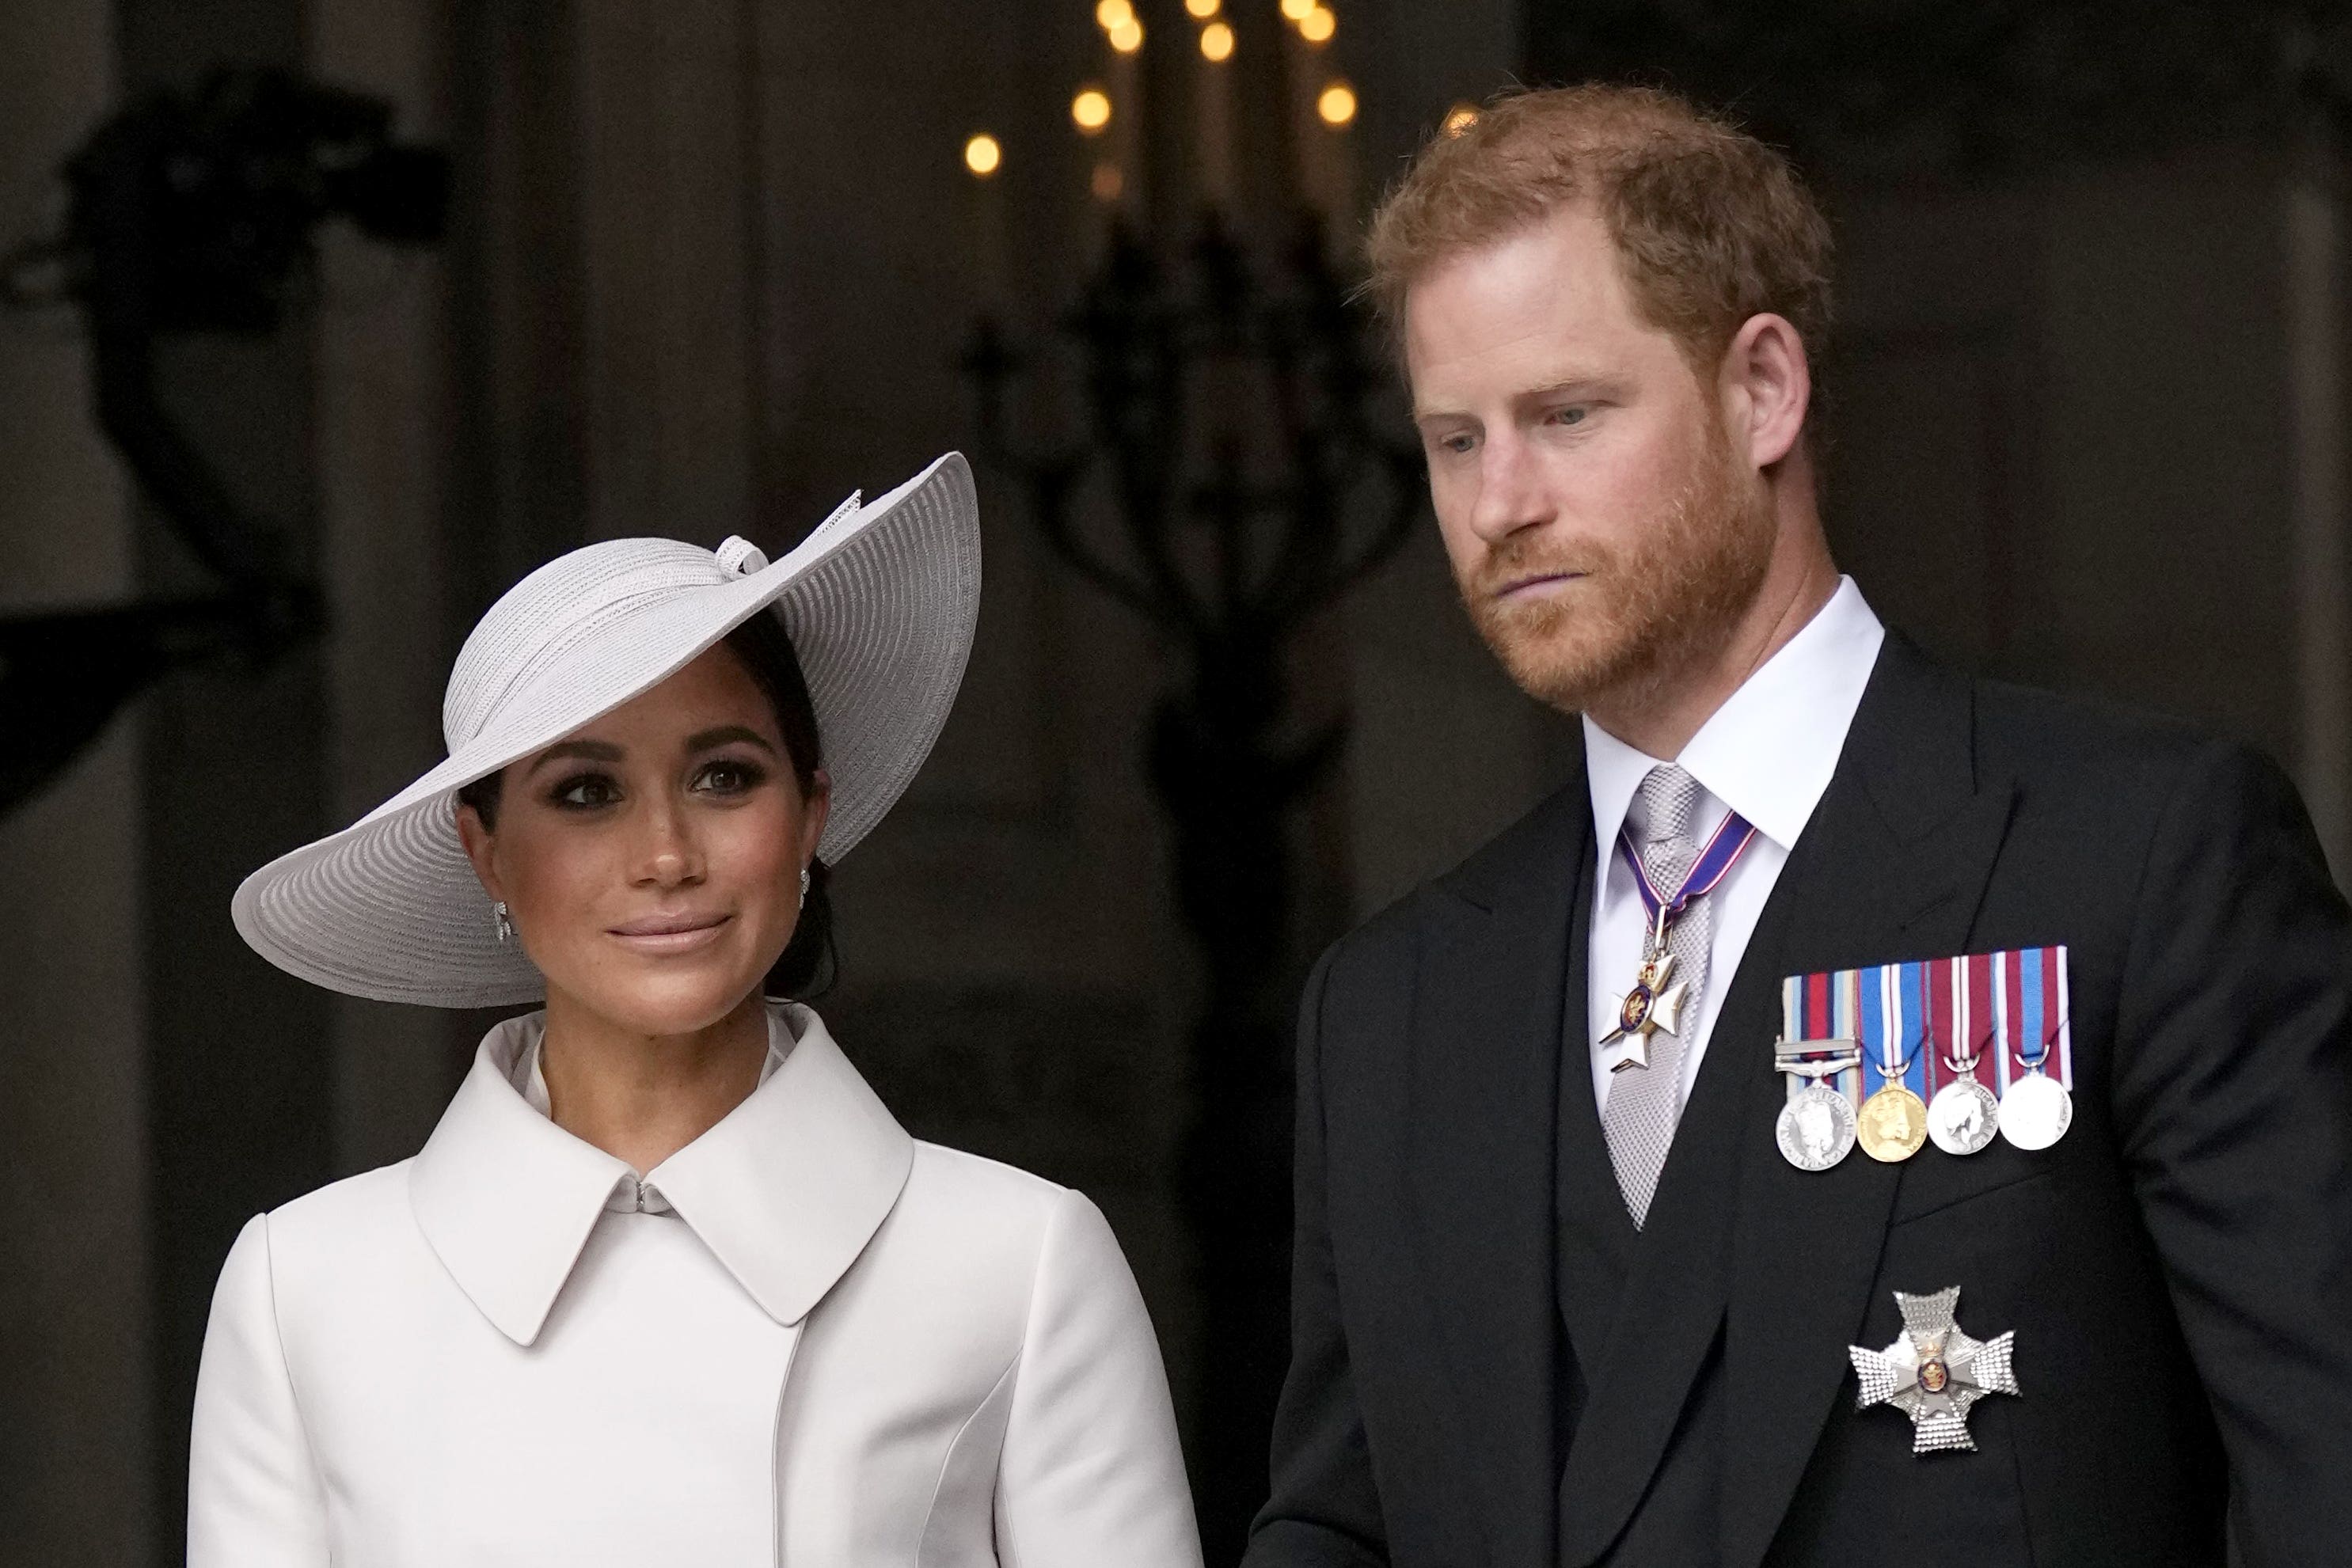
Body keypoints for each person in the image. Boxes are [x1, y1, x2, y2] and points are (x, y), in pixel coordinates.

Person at [1243, 86, 2352, 1568]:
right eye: (1455, 439)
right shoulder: (1387, 1010)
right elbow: (1336, 1528)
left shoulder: (2143, 856)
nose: (1499, 501)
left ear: (1762, 388)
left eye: (1567, 415)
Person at [191, 454, 1203, 1566]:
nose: (667, 854)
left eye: (725, 776)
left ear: (810, 810)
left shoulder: (1018, 1261)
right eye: (586, 792)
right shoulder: (307, 1290)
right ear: (486, 852)